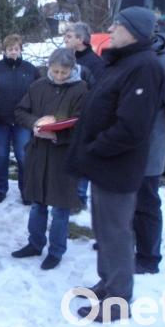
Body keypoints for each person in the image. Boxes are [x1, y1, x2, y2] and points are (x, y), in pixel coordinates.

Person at [65, 6, 165, 322]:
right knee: (103, 230)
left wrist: (95, 149)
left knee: (116, 233)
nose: (110, 29)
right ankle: (106, 283)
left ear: (132, 30)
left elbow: (131, 127)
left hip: (117, 166)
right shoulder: (122, 61)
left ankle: (117, 300)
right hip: (103, 164)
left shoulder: (144, 67)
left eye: (117, 25)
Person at [11, 48, 88, 270]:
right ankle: (34, 243)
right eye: (55, 71)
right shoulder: (38, 86)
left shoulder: (81, 89)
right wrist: (36, 122)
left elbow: (84, 123)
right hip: (38, 153)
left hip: (63, 156)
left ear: (72, 69)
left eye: (64, 72)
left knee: (60, 209)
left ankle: (56, 251)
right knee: (37, 204)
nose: (60, 76)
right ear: (49, 68)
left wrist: (57, 132)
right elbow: (20, 112)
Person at [0, 34, 40, 205]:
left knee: (23, 157)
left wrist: (33, 112)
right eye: (10, 49)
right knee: (1, 156)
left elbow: (39, 91)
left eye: (16, 49)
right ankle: (1, 189)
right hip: (0, 120)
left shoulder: (30, 69)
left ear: (21, 50)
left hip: (23, 121)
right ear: (4, 51)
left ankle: (26, 191)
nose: (13, 52)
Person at [62, 22, 105, 209]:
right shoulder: (66, 58)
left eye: (69, 36)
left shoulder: (95, 63)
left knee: (82, 156)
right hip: (65, 116)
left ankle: (80, 198)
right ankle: (67, 193)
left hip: (85, 118)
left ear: (80, 40)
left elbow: (99, 92)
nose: (65, 39)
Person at [134, 27, 165, 275]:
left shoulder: (163, 63)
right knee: (130, 201)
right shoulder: (136, 58)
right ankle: (128, 244)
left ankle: (148, 257)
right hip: (127, 148)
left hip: (150, 146)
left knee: (146, 202)